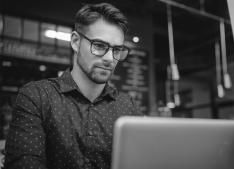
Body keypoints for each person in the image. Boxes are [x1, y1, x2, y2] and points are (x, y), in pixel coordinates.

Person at [4, 3, 142, 169]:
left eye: (117, 49)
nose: (109, 58)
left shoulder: (128, 107)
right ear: (76, 42)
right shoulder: (37, 97)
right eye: (99, 46)